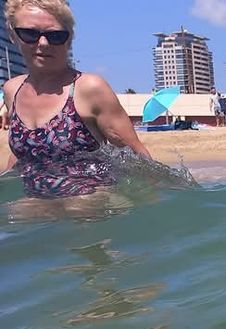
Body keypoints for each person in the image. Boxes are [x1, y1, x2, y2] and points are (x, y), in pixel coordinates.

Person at [1, 0, 160, 203]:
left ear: (69, 39)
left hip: (91, 205)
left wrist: (154, 208)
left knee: (80, 205)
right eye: (30, 34)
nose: (43, 43)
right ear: (13, 35)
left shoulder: (89, 89)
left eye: (55, 36)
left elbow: (136, 155)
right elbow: (22, 154)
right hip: (37, 203)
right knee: (19, 212)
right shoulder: (12, 90)